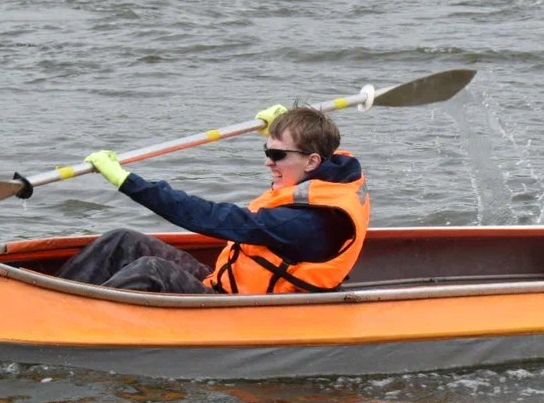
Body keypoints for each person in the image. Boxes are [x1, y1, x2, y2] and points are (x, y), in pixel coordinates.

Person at [54, 105, 370, 294]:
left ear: (312, 162)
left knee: (151, 269)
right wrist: (286, 124)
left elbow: (206, 215)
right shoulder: (333, 170)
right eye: (267, 151)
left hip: (245, 309)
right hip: (223, 283)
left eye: (277, 155)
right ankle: (54, 298)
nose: (267, 162)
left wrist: (126, 181)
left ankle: (71, 323)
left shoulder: (303, 224)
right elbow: (314, 144)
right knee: (121, 240)